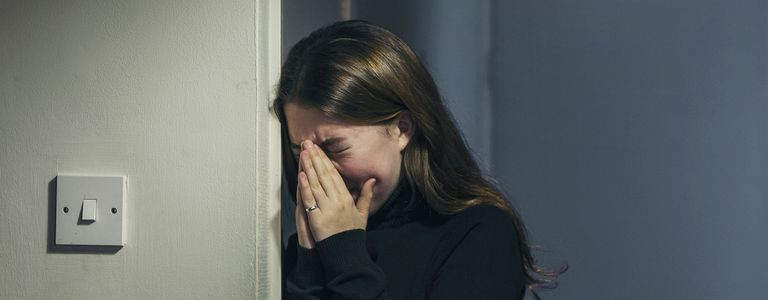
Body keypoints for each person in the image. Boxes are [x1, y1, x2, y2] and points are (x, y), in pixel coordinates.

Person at [274, 20, 562, 300]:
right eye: (302, 152)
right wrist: (309, 265)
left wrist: (346, 257)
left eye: (335, 147)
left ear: (401, 130)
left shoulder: (479, 234)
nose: (319, 173)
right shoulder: (298, 249)